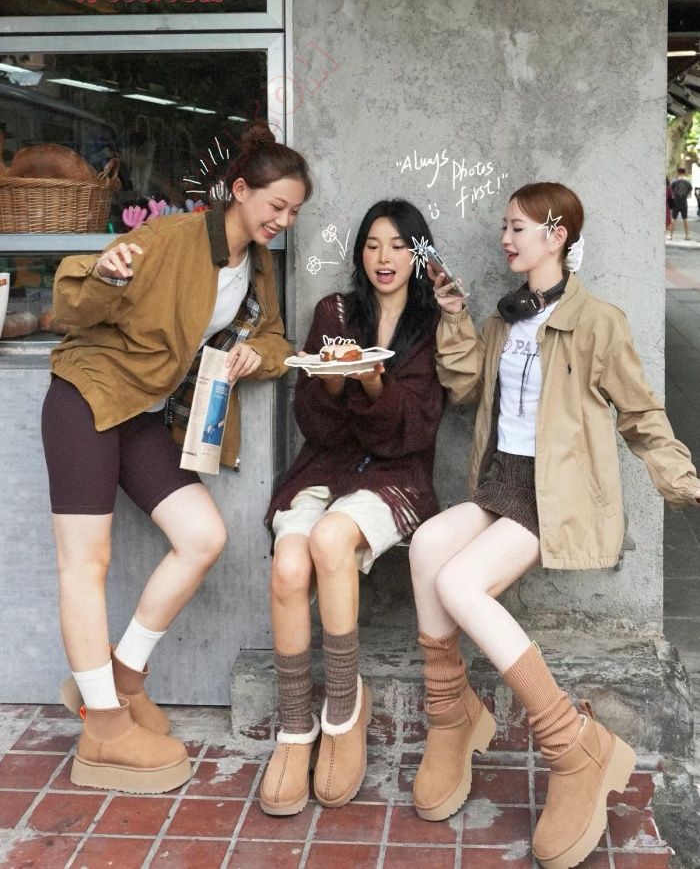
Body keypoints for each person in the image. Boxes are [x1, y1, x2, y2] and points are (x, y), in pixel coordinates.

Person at [408, 182, 700, 869]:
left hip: (554, 494)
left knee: (460, 583)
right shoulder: (505, 319)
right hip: (501, 482)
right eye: (504, 227)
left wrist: (683, 479)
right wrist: (455, 318)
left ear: (556, 234)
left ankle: (574, 746)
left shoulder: (597, 323)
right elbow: (465, 389)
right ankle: (452, 716)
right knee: (426, 546)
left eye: (518, 227)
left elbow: (640, 413)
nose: (505, 238)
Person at [41, 121, 312, 794]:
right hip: (86, 398)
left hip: (140, 415)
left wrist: (253, 354)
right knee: (85, 562)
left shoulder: (256, 265)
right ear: (239, 190)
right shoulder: (170, 237)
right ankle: (103, 728)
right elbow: (72, 296)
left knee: (202, 536)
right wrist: (106, 272)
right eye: (276, 206)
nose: (283, 221)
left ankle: (124, 676)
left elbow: (275, 340)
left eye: (293, 212)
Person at [260, 200, 446, 815]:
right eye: (371, 244)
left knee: (330, 538)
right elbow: (313, 424)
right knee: (290, 564)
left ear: (417, 254)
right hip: (326, 466)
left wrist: (372, 384)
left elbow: (414, 430)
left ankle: (343, 711)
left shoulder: (431, 325)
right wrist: (336, 381)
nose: (383, 258)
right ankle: (295, 727)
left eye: (397, 246)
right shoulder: (335, 315)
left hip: (396, 473)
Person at [669, 166, 693, 240]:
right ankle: (687, 236)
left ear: (678, 172)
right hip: (684, 203)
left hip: (675, 203)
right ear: (684, 173)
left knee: (673, 219)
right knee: (685, 219)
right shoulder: (688, 183)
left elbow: (670, 191)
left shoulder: (674, 182)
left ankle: (670, 236)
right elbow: (689, 192)